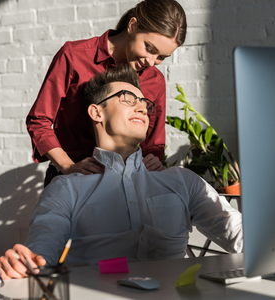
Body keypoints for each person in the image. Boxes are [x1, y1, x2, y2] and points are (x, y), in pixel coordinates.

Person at [0, 65, 243, 279]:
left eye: (145, 103)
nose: (142, 108)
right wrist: (23, 265)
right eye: (127, 98)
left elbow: (238, 233)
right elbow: (41, 253)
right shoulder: (66, 189)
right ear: (97, 113)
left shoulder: (183, 181)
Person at [26, 0, 187, 186]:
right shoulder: (74, 56)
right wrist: (69, 167)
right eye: (150, 49)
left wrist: (154, 159)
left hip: (129, 183)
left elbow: (154, 142)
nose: (151, 62)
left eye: (161, 57)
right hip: (69, 178)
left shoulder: (155, 80)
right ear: (133, 25)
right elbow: (39, 121)